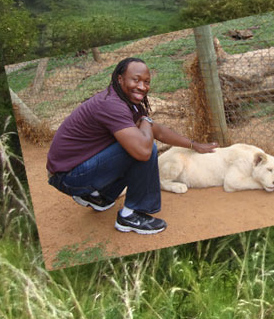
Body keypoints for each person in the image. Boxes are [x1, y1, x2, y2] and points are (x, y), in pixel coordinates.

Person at [47, 57, 218, 235]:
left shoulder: (126, 101)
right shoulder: (112, 105)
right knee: (144, 148)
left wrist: (193, 145)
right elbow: (143, 151)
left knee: (136, 141)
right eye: (135, 80)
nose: (142, 87)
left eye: (146, 82)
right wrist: (146, 122)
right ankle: (130, 215)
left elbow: (157, 130)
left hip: (71, 169)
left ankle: (100, 197)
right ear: (120, 79)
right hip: (68, 176)